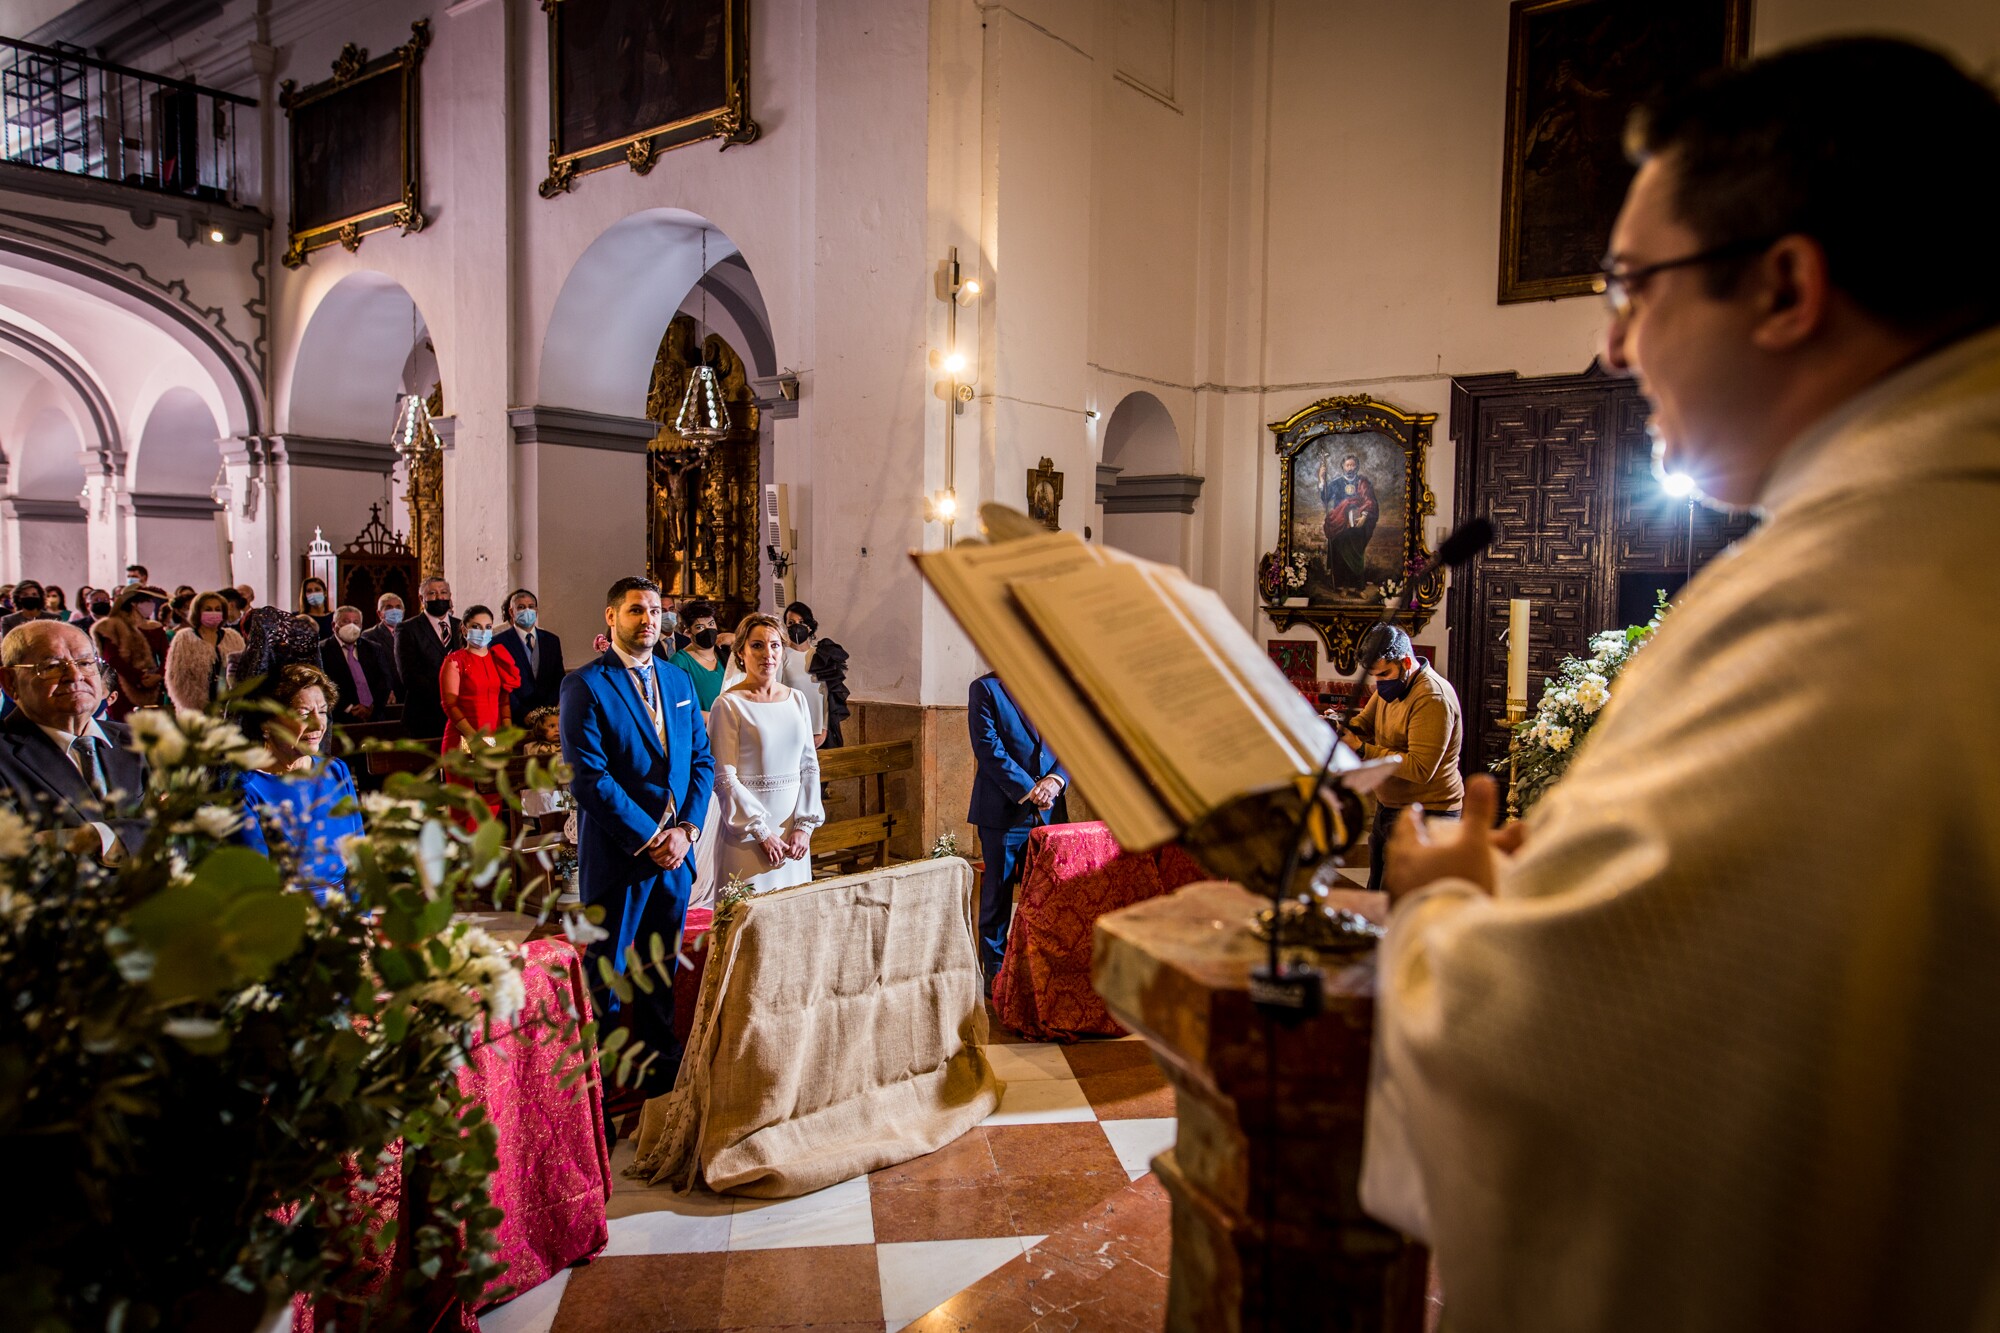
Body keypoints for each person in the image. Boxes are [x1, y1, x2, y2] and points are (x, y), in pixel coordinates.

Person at [1363, 38, 2000, 1333]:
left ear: (1784, 285)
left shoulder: (1843, 600)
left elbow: (1586, 1066)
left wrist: (1442, 910)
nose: (1610, 346)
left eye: (1630, 286)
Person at [560, 575, 713, 1143]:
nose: (647, 620)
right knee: (607, 980)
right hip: (621, 857)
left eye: (654, 611)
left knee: (658, 978)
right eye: (635, 611)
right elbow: (589, 778)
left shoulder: (676, 678)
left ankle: (660, 1095)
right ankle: (594, 1107)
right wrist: (652, 837)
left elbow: (700, 759)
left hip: (675, 857)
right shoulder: (586, 685)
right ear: (611, 617)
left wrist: (687, 831)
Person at [0, 620, 148, 859]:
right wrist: (144, 834)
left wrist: (93, 838)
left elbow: (197, 824)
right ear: (10, 681)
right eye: (51, 666)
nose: (75, 675)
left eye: (86, 663)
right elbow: (12, 858)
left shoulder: (141, 739)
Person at [1338, 622, 1463, 893]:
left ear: (1406, 662)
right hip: (1391, 807)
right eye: (1375, 676)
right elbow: (1364, 723)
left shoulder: (1431, 697)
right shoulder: (1392, 687)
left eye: (1384, 674)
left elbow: (1420, 768)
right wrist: (1341, 726)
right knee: (1377, 895)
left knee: (1399, 901)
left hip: (1428, 814)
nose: (1379, 683)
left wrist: (1361, 748)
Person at [709, 613, 824, 893]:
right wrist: (760, 832)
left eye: (774, 645)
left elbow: (809, 766)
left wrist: (804, 826)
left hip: (793, 835)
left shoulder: (796, 699)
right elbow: (724, 777)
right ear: (741, 652)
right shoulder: (728, 705)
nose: (767, 654)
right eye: (757, 645)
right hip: (746, 835)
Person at [966, 670, 1067, 980]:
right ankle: (996, 976)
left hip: (1050, 811)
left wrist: (1055, 779)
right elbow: (988, 747)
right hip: (1003, 811)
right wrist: (1030, 789)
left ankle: (1037, 970)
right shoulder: (985, 688)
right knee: (997, 897)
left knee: (1048, 896)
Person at [236, 663, 364, 905]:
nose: (318, 725)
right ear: (267, 723)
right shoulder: (247, 789)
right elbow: (257, 886)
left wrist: (363, 917)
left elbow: (360, 860)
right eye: (304, 713)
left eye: (322, 711)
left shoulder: (336, 771)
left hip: (345, 913)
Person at [439, 604, 519, 759]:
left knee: (494, 774)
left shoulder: (498, 658)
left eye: (487, 627)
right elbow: (450, 705)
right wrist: (474, 738)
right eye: (476, 627)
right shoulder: (454, 661)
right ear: (464, 630)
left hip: (494, 737)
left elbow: (503, 702)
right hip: (464, 736)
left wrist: (507, 735)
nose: (483, 632)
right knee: (468, 773)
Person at [396, 576, 461, 741]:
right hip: (424, 714)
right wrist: (446, 695)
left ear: (450, 596)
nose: (439, 597)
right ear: (421, 598)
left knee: (461, 756)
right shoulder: (407, 629)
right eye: (432, 593)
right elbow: (409, 675)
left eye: (443, 593)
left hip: (460, 713)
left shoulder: (461, 626)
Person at [164, 590, 247, 713]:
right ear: (198, 612)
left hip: (229, 709)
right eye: (208, 609)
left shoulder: (233, 637)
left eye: (218, 609)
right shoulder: (184, 638)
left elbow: (243, 670)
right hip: (194, 710)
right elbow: (177, 678)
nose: (213, 613)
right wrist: (200, 706)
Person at [91, 586, 164, 720]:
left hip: (153, 685)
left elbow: (167, 656)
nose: (151, 605)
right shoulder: (113, 626)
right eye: (147, 601)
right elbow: (112, 659)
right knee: (124, 726)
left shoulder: (155, 628)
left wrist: (158, 675)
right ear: (134, 603)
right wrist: (139, 678)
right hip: (123, 686)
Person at [783, 602, 850, 747]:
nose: (796, 626)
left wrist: (823, 729)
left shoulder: (822, 655)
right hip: (790, 730)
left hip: (820, 732)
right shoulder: (781, 655)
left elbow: (827, 696)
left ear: (809, 626)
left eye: (801, 622)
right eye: (791, 623)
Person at [494, 588, 565, 720]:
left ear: (536, 611)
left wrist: (548, 710)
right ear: (511, 612)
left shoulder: (551, 640)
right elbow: (500, 683)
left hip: (547, 715)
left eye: (531, 607)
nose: (527, 611)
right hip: (515, 716)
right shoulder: (499, 642)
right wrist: (522, 713)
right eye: (521, 607)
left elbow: (558, 677)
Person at [319, 605, 392, 725]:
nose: (351, 626)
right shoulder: (322, 650)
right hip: (341, 718)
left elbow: (385, 680)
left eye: (356, 622)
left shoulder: (373, 648)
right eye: (346, 622)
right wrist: (349, 708)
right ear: (334, 626)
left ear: (361, 626)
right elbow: (323, 685)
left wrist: (373, 707)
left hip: (374, 716)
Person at [1318, 451, 1378, 592]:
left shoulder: (1362, 482)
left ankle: (1358, 587)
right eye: (1347, 465)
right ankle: (1343, 586)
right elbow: (1325, 497)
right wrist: (1321, 478)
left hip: (1357, 523)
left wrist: (1364, 516)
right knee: (1341, 555)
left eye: (1352, 465)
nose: (1350, 468)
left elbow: (1369, 500)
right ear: (1343, 467)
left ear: (1356, 466)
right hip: (1340, 523)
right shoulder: (1337, 482)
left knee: (1357, 555)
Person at [665, 600, 730, 710]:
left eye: (711, 624)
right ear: (688, 632)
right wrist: (713, 717)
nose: (708, 630)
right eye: (700, 627)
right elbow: (676, 706)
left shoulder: (725, 653)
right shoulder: (679, 663)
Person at [363, 591, 405, 700]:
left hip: (410, 693)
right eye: (389, 607)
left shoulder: (411, 632)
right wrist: (386, 690)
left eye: (398, 607)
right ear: (379, 613)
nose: (394, 610)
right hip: (387, 694)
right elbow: (370, 670)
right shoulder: (369, 635)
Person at [297, 575, 335, 640]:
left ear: (325, 593)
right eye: (309, 591)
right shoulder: (299, 617)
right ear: (304, 595)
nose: (313, 593)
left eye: (317, 590)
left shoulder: (334, 617)